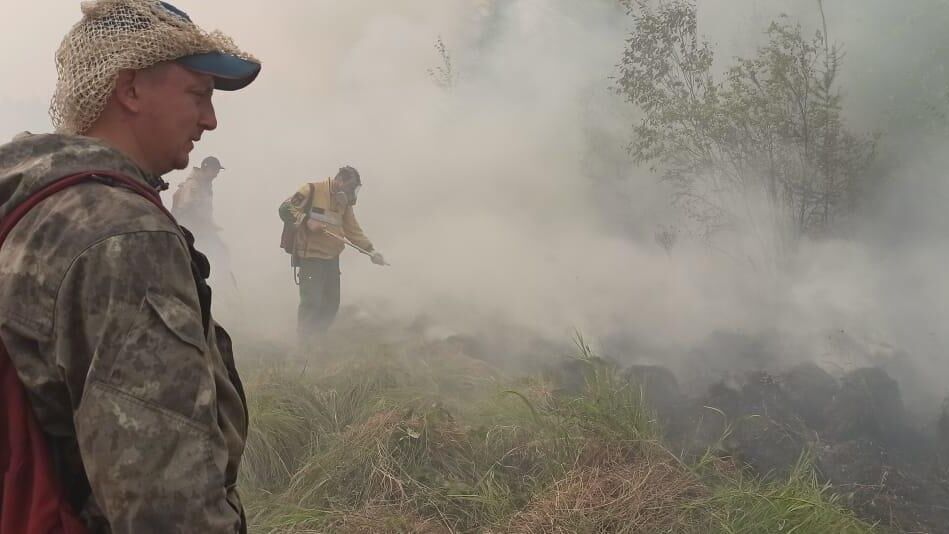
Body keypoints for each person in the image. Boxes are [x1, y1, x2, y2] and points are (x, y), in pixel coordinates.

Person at [0, 1, 260, 532]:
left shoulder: (32, 203)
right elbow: (165, 501)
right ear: (131, 90)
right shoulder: (126, 235)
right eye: (198, 94)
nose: (210, 119)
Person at [279, 166, 386, 337]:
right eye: (350, 187)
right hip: (311, 257)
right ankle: (305, 346)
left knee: (331, 304)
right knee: (311, 302)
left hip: (331, 259)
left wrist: (370, 251)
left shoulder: (343, 203)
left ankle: (317, 338)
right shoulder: (311, 189)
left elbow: (353, 230)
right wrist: (307, 221)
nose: (351, 193)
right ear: (340, 181)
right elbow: (285, 209)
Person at [173, 155, 230, 269]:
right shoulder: (192, 186)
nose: (216, 174)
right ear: (206, 168)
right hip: (192, 232)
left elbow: (204, 211)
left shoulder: (205, 185)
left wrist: (210, 225)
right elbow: (182, 211)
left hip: (202, 229)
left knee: (221, 252)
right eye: (215, 170)